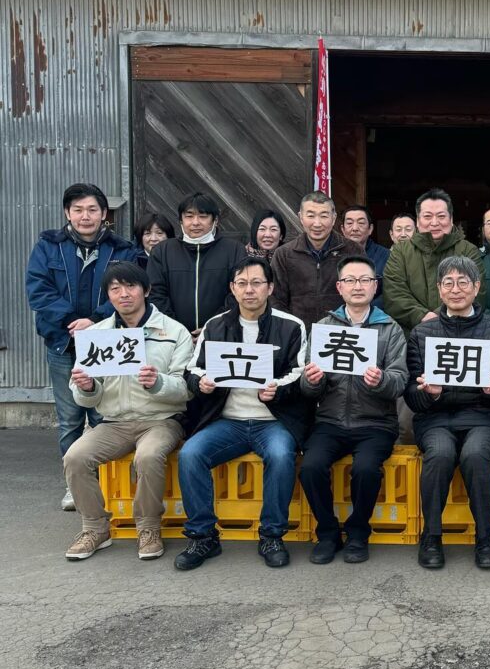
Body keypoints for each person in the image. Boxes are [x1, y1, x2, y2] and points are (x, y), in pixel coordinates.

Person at [175, 258, 312, 571]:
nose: (249, 290)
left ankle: (272, 535)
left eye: (257, 283)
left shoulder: (290, 325)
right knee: (191, 454)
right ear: (232, 289)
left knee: (280, 455)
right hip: (228, 421)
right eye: (242, 283)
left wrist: (277, 388)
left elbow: (299, 372)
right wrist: (202, 382)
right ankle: (203, 535)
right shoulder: (216, 325)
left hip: (273, 421)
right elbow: (192, 368)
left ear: (270, 287)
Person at [62, 262, 193, 562]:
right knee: (75, 456)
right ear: (108, 296)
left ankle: (148, 527)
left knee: (147, 455)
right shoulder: (96, 335)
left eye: (131, 286)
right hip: (114, 422)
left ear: (146, 290)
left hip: (161, 420)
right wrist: (86, 386)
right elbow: (84, 398)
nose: (124, 294)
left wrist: (157, 382)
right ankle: (95, 527)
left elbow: (187, 388)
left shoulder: (173, 332)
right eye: (115, 289)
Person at [405, 256, 490, 570]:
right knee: (441, 453)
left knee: (474, 453)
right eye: (448, 283)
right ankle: (431, 535)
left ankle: (486, 537)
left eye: (463, 282)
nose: (456, 290)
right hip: (436, 418)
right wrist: (427, 395)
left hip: (488, 417)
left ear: (476, 288)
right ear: (439, 290)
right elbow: (410, 394)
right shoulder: (421, 334)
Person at [25, 182, 139, 510]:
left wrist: (96, 321)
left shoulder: (122, 249)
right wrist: (74, 322)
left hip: (108, 341)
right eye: (78, 210)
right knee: (70, 418)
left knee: (108, 413)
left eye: (92, 210)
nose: (85, 216)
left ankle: (109, 482)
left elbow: (129, 290)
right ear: (67, 213)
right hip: (64, 342)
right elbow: (39, 290)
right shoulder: (48, 246)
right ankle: (75, 484)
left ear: (104, 214)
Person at [299, 256, 408, 565]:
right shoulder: (323, 327)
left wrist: (381, 380)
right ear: (339, 287)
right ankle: (328, 532)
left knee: (365, 470)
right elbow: (307, 389)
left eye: (365, 280)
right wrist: (312, 380)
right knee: (310, 467)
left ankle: (358, 532)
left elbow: (400, 382)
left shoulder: (390, 329)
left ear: (375, 286)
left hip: (376, 422)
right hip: (330, 419)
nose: (358, 286)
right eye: (350, 280)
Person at [383, 188, 485, 334]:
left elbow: (477, 291)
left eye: (441, 216)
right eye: (428, 216)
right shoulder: (401, 252)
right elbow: (393, 293)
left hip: (459, 333)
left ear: (451, 219)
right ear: (418, 221)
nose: (434, 222)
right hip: (412, 334)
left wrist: (441, 318)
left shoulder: (468, 250)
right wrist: (422, 316)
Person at [147, 192, 247, 339]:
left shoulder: (234, 250)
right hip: (171, 335)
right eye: (189, 216)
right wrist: (177, 330)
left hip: (222, 334)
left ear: (215, 220)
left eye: (203, 216)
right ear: (180, 220)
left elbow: (238, 293)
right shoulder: (162, 251)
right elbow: (156, 293)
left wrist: (213, 326)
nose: (195, 222)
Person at [271, 192, 363, 329]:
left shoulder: (353, 251)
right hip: (297, 334)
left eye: (324, 216)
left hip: (342, 333)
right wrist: (291, 329)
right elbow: (275, 300)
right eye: (311, 216)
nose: (317, 223)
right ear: (301, 218)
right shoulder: (284, 254)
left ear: (334, 218)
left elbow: (362, 293)